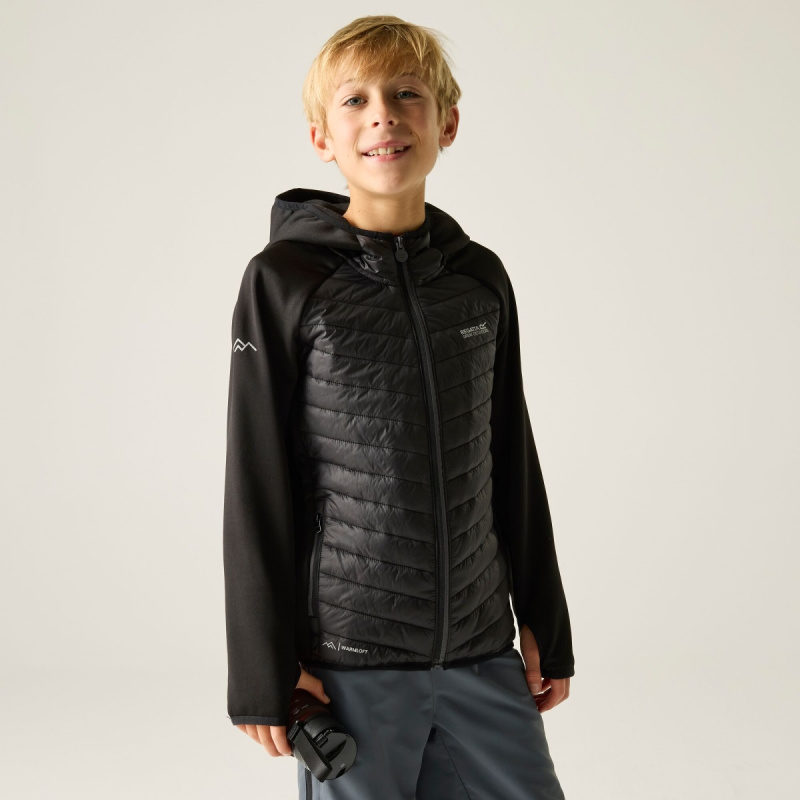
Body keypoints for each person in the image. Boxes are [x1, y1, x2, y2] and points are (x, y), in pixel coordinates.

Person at [222, 14, 575, 799]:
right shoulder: (284, 281)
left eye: (407, 94)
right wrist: (260, 669)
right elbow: (255, 479)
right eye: (355, 100)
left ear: (446, 123)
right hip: (350, 664)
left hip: (481, 653)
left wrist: (545, 621)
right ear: (322, 138)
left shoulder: (478, 279)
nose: (383, 115)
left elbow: (510, 453)